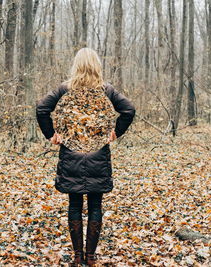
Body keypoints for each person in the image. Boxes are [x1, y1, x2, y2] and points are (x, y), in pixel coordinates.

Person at [36, 48, 135, 266]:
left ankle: (78, 256)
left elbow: (42, 108)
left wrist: (51, 135)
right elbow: (128, 110)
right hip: (98, 154)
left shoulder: (65, 89)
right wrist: (115, 132)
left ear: (76, 66)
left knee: (74, 204)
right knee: (95, 205)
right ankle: (90, 258)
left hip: (71, 153)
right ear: (96, 66)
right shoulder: (106, 90)